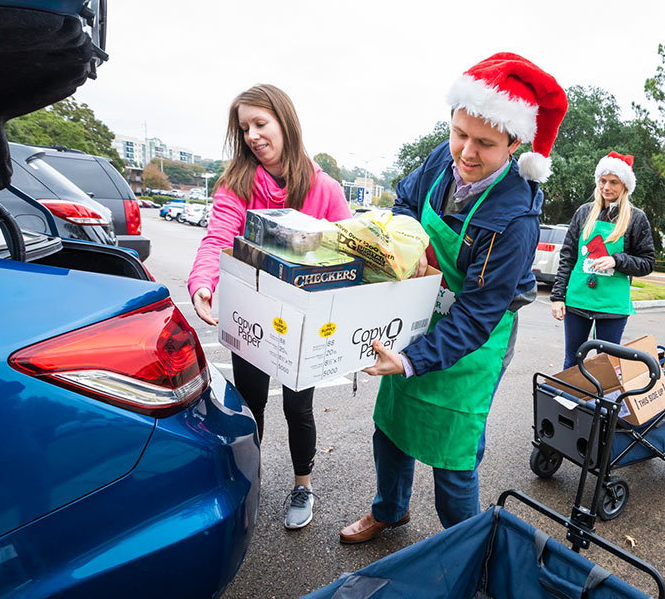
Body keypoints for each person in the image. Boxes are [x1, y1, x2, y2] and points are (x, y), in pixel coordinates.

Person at [339, 53, 568, 544]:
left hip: (476, 338)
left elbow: (477, 315)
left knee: (454, 452)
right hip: (421, 312)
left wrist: (407, 359)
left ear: (514, 142)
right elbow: (404, 202)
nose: (465, 151)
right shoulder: (440, 161)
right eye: (459, 133)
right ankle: (390, 509)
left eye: (484, 143)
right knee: (392, 425)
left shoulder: (516, 218)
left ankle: (466, 546)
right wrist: (412, 248)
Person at [188, 84, 351, 529]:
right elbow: (218, 237)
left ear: (285, 122)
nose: (253, 135)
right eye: (244, 128)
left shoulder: (325, 188)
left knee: (299, 407)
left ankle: (304, 486)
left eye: (261, 123)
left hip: (306, 320)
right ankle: (251, 480)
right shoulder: (237, 184)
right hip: (253, 313)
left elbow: (351, 251)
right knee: (251, 404)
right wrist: (203, 282)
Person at [550, 151, 655, 369]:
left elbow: (647, 262)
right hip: (578, 300)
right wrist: (557, 297)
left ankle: (598, 404)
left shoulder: (636, 219)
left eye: (613, 182)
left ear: (624, 185)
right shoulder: (583, 213)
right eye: (603, 181)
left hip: (612, 305)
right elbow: (567, 256)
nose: (606, 187)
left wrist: (617, 260)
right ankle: (569, 402)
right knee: (572, 360)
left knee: (604, 365)